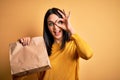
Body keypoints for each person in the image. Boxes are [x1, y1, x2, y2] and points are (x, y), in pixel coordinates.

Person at [19, 7, 93, 80]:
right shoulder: (41, 48)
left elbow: (88, 55)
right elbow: (28, 77)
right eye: (50, 24)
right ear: (47, 27)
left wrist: (70, 29)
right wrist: (25, 47)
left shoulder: (74, 44)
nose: (55, 27)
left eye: (59, 22)